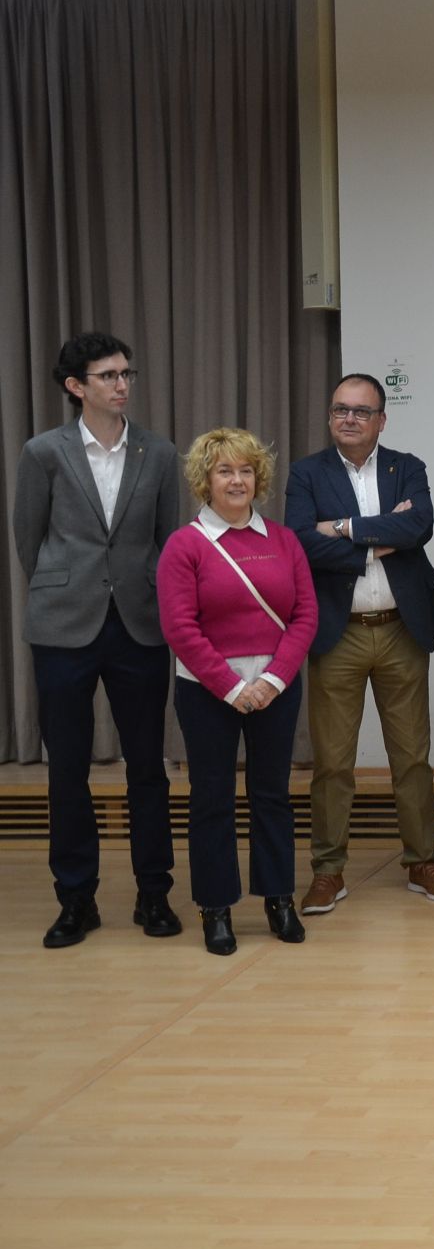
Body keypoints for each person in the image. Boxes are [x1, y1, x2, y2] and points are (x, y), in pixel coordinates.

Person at [14, 332, 183, 948]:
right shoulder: (43, 452)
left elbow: (169, 540)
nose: (121, 384)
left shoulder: (158, 452)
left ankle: (153, 893)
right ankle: (75, 899)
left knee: (148, 766)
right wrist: (68, 587)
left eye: (125, 373)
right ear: (75, 386)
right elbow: (29, 538)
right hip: (64, 625)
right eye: (108, 375)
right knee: (67, 768)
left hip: (139, 622)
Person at [286, 373, 434, 915]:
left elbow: (419, 528)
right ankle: (328, 870)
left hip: (402, 629)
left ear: (382, 420)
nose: (349, 418)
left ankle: (422, 861)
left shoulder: (407, 467)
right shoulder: (306, 473)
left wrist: (339, 527)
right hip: (338, 634)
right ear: (329, 416)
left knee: (412, 759)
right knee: (333, 763)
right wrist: (374, 540)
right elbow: (299, 542)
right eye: (340, 409)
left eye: (362, 411)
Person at [156, 429, 318, 955]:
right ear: (206, 479)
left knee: (272, 795)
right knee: (212, 798)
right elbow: (180, 628)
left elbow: (305, 615)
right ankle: (215, 907)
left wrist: (272, 680)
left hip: (276, 688)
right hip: (207, 691)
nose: (237, 480)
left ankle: (278, 899)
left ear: (258, 479)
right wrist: (230, 686)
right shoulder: (185, 545)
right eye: (225, 470)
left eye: (246, 470)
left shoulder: (284, 540)